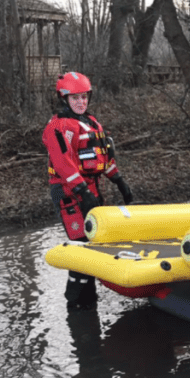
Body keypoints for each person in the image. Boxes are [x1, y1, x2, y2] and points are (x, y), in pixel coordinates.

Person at [42, 71, 134, 310]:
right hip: (67, 191)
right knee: (81, 242)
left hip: (90, 188)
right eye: (75, 98)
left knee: (94, 239)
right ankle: (75, 301)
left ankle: (88, 298)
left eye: (83, 97)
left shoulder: (91, 123)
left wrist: (119, 180)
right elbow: (63, 164)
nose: (80, 102)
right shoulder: (59, 127)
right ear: (65, 100)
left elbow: (100, 157)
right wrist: (82, 192)